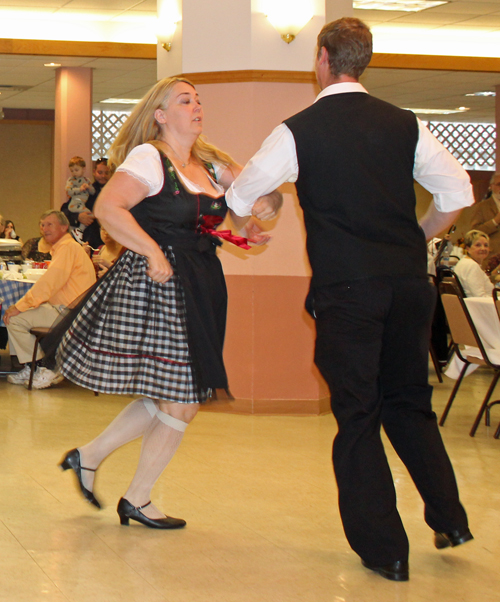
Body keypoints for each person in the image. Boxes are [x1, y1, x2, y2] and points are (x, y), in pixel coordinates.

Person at [225, 17, 475, 582]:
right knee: (409, 401)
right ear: (363, 61)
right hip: (410, 286)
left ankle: (385, 548)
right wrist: (419, 234)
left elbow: (242, 194)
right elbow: (456, 192)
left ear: (321, 58)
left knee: (358, 413)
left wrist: (258, 209)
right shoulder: (405, 123)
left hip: (349, 290)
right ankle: (450, 517)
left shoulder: (298, 130)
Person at [56, 77, 279, 529]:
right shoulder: (149, 157)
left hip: (200, 281)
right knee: (182, 398)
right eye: (184, 100)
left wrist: (258, 218)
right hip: (161, 284)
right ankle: (132, 495)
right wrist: (152, 251)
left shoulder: (212, 166)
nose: (196, 106)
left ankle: (93, 458)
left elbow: (257, 197)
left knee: (173, 394)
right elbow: (109, 209)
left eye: (199, 100)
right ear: (160, 115)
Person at [3, 210, 96, 389]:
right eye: (42, 224)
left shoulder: (68, 248)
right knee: (16, 316)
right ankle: (33, 367)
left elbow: (49, 284)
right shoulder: (65, 248)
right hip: (66, 309)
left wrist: (20, 306)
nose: (44, 229)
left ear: (64, 227)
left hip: (69, 313)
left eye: (49, 224)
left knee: (13, 318)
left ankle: (44, 367)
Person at [62, 158, 111, 250]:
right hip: (88, 240)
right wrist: (78, 217)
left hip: (110, 240)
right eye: (100, 172)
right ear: (94, 172)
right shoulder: (86, 189)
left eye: (107, 173)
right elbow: (64, 210)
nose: (103, 176)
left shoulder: (116, 191)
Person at [63, 156, 95, 243]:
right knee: (89, 214)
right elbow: (68, 191)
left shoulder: (86, 180)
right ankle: (79, 231)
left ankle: (76, 232)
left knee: (90, 215)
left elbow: (93, 192)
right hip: (75, 203)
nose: (74, 173)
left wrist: (88, 187)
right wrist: (79, 189)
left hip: (81, 203)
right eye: (72, 171)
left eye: (76, 170)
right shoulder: (71, 180)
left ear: (83, 169)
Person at [453, 230, 495, 297]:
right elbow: (480, 297)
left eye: (486, 245)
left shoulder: (464, 262)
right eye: (478, 245)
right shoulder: (471, 265)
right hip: (480, 306)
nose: (483, 248)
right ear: (468, 249)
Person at [470, 171, 500, 257]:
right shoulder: (482, 207)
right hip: (492, 256)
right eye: (499, 184)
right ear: (491, 186)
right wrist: (495, 221)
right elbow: (474, 232)